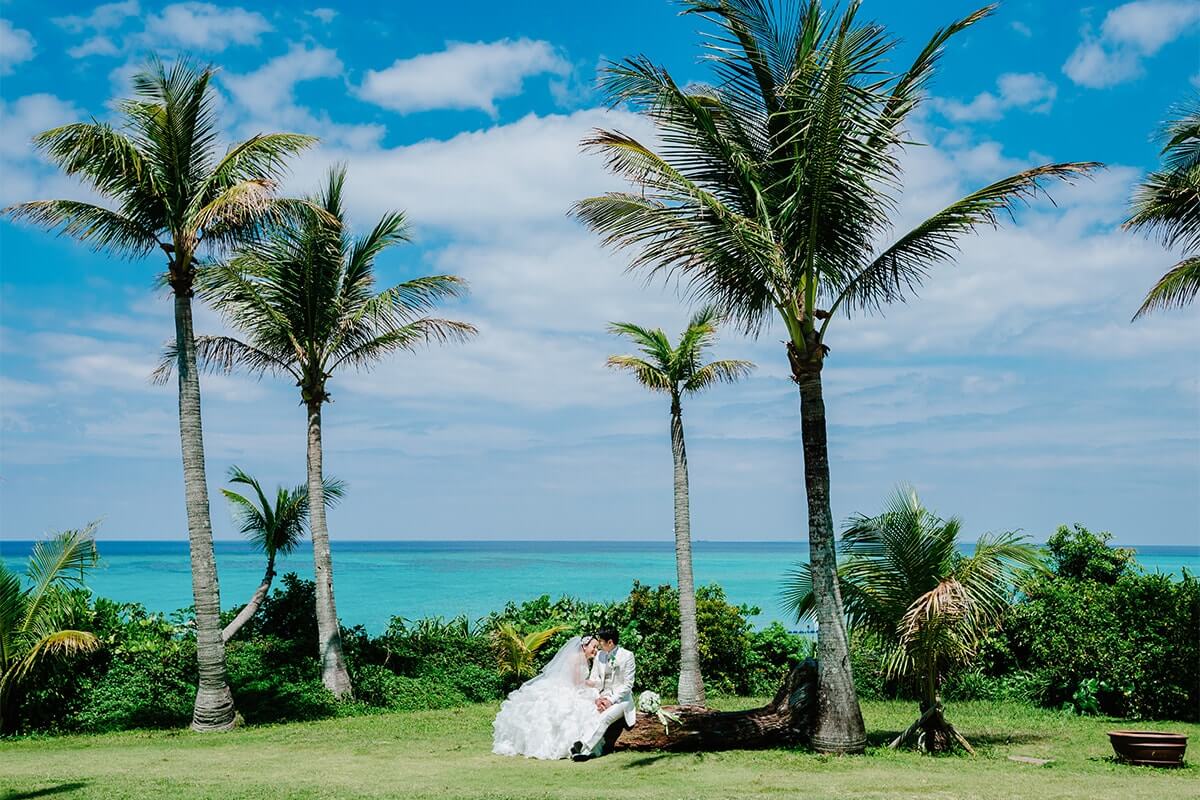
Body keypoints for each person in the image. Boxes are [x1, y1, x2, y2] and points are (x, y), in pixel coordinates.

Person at [492, 635, 602, 760]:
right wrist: (593, 684)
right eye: (594, 647)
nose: (596, 650)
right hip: (568, 689)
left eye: (597, 647)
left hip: (570, 687)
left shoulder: (584, 659)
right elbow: (577, 683)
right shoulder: (577, 658)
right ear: (584, 646)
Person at [571, 627, 636, 761]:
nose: (599, 644)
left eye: (601, 641)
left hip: (621, 700)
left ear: (610, 642)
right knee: (592, 715)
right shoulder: (599, 655)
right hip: (602, 697)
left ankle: (584, 748)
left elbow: (628, 685)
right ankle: (587, 749)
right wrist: (598, 697)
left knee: (605, 718)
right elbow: (596, 680)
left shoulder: (627, 656)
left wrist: (610, 700)